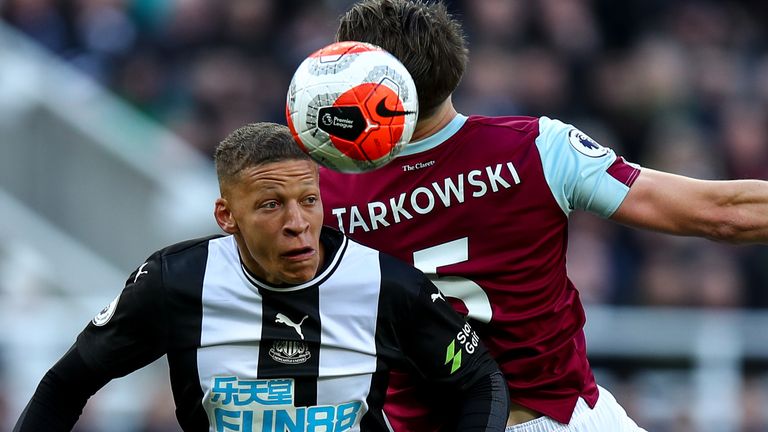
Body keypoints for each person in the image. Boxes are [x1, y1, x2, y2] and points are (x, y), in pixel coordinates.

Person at [318, 1, 768, 431]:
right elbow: (721, 214)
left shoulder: (324, 196)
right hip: (564, 418)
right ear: (453, 68)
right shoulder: (536, 147)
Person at [14, 122, 510, 431]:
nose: (297, 223)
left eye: (309, 201)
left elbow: (481, 382)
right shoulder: (174, 283)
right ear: (226, 216)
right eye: (271, 205)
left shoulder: (384, 285)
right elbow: (65, 385)